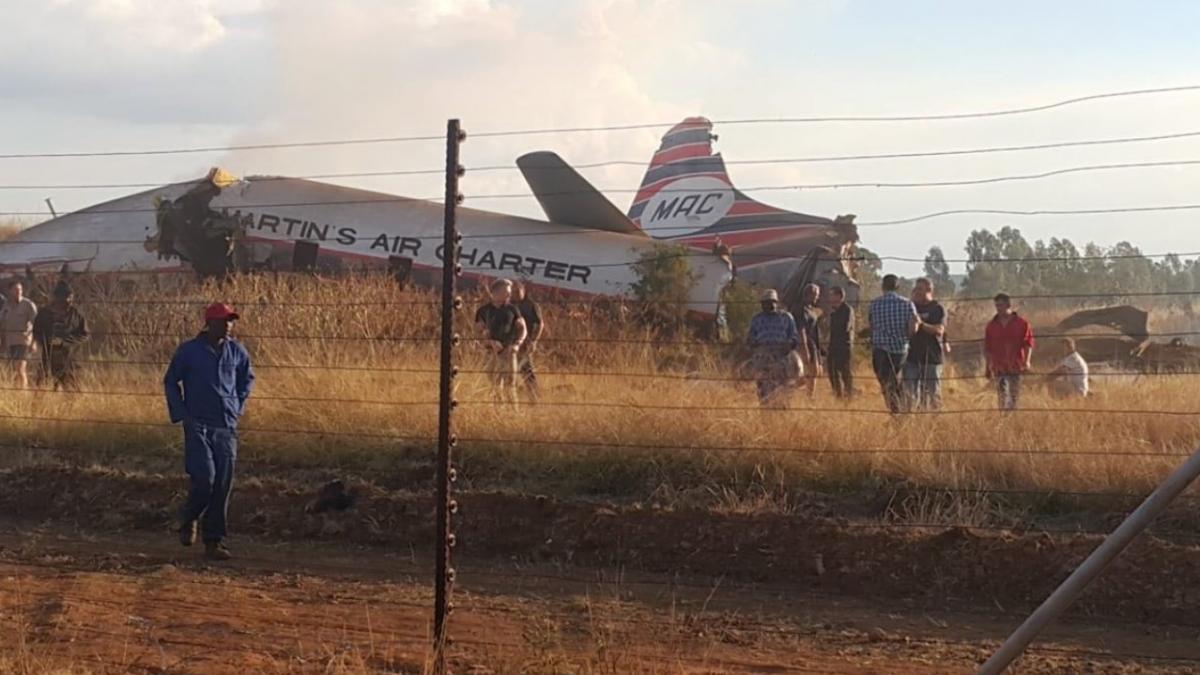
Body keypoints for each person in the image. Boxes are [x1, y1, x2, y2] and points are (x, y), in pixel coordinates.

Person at [164, 303, 255, 561]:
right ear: (209, 323)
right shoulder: (189, 351)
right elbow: (171, 380)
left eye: (230, 321)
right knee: (205, 478)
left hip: (225, 425)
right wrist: (182, 413)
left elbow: (246, 379)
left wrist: (237, 405)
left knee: (223, 484)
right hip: (198, 424)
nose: (228, 325)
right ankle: (189, 516)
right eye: (223, 320)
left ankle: (214, 541)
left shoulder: (237, 351)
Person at [747, 288, 806, 406]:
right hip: (763, 357)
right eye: (764, 303)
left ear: (776, 303)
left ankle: (783, 411)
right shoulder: (757, 319)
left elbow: (794, 337)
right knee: (764, 388)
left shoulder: (786, 317)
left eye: (770, 302)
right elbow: (750, 338)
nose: (767, 305)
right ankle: (766, 413)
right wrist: (755, 344)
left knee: (783, 387)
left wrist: (788, 346)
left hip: (782, 357)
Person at [867, 275, 917, 414]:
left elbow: (871, 326)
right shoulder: (907, 304)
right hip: (900, 349)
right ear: (898, 287)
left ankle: (896, 411)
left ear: (883, 286)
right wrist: (905, 336)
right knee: (896, 380)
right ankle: (901, 409)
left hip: (880, 349)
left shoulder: (874, 304)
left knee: (886, 383)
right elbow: (913, 328)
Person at [474, 279, 527, 405]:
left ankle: (513, 412)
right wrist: (490, 342)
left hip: (509, 352)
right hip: (491, 352)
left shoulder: (513, 310)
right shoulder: (483, 311)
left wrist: (517, 344)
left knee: (510, 385)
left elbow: (523, 328)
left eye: (509, 293)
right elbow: (477, 333)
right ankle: (498, 410)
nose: (509, 295)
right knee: (495, 384)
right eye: (506, 292)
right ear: (495, 292)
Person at [32, 280, 89, 390]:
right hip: (48, 356)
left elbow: (84, 334)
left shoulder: (76, 314)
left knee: (71, 389)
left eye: (69, 297)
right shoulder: (44, 313)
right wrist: (46, 341)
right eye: (64, 298)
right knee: (42, 388)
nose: (67, 301)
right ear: (56, 298)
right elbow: (36, 331)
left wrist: (65, 341)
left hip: (69, 356)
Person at [984, 293, 1034, 411]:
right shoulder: (991, 326)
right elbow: (988, 349)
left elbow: (1028, 343)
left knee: (1014, 396)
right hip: (999, 366)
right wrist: (988, 367)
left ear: (1008, 305)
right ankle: (1003, 420)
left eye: (1001, 305)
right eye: (996, 305)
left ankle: (1013, 419)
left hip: (1016, 366)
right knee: (1002, 396)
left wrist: (1027, 361)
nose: (998, 308)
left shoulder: (1022, 324)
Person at [904, 278, 947, 411]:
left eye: (920, 289)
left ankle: (935, 423)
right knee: (910, 394)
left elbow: (939, 330)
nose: (917, 291)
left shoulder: (937, 308)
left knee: (933, 394)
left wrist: (921, 324)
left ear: (929, 290)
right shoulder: (911, 307)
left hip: (932, 358)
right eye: (915, 289)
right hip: (912, 358)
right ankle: (913, 422)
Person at [0, 279, 38, 389]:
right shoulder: (6, 306)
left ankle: (23, 392)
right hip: (11, 342)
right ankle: (17, 391)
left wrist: (34, 342)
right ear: (10, 291)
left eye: (20, 289)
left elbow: (37, 325)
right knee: (14, 369)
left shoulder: (28, 305)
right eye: (16, 290)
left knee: (20, 367)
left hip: (24, 341)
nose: (18, 292)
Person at [512, 281, 543, 402]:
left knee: (526, 370)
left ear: (523, 291)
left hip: (526, 343)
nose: (515, 294)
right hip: (511, 342)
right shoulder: (510, 305)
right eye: (513, 292)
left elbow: (540, 324)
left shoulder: (531, 305)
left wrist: (534, 340)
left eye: (518, 291)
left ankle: (534, 397)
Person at [826, 286, 854, 399]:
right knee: (832, 371)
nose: (830, 297)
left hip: (844, 346)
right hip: (833, 346)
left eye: (832, 295)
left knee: (845, 372)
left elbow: (845, 327)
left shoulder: (847, 310)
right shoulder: (834, 312)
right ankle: (838, 395)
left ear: (839, 296)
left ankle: (849, 395)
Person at [797, 283, 823, 398]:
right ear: (810, 294)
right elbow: (801, 329)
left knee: (815, 372)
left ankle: (809, 396)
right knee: (808, 371)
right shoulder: (801, 309)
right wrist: (804, 347)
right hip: (805, 342)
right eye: (816, 294)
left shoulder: (812, 310)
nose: (817, 297)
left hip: (813, 343)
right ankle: (794, 389)